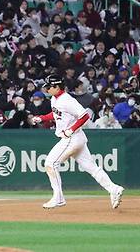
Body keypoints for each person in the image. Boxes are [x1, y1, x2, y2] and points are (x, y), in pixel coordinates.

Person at [31, 74, 124, 209]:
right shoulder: (54, 99)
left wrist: (71, 129)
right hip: (76, 138)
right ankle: (114, 189)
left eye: (49, 87)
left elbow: (84, 116)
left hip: (71, 138)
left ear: (57, 87)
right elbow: (57, 114)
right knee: (92, 167)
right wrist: (43, 118)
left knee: (50, 164)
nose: (47, 89)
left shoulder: (67, 100)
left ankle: (58, 198)